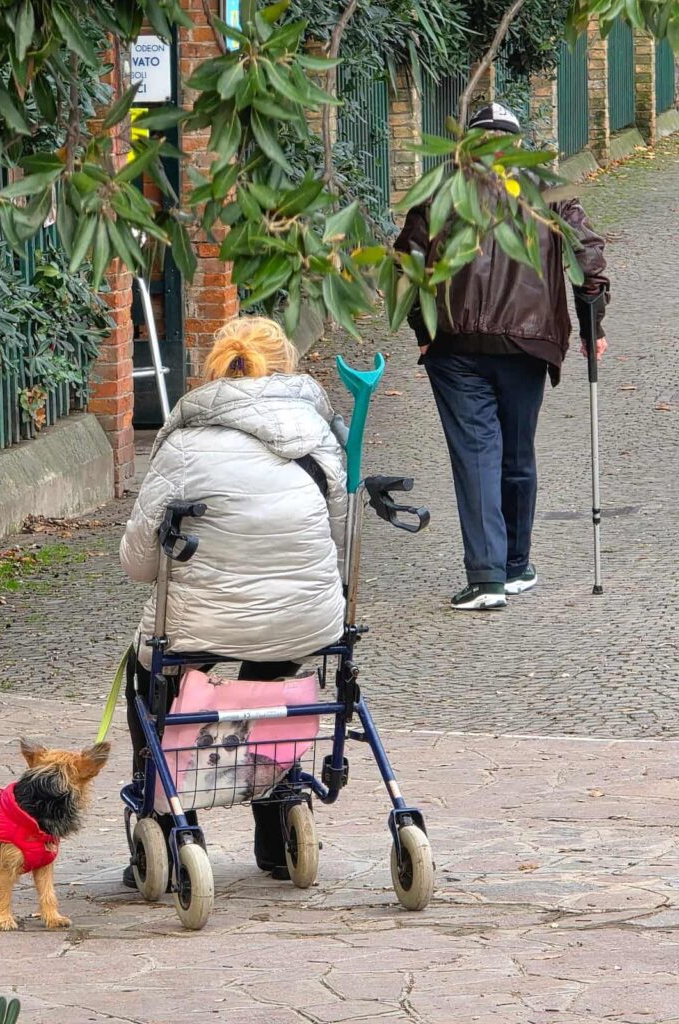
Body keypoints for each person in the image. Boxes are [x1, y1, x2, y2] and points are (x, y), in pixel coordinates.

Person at [119, 316, 347, 882]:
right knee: (270, 674)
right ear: (287, 366)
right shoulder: (320, 436)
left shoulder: (184, 442)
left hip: (201, 622)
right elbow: (341, 538)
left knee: (151, 682)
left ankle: (169, 825)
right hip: (304, 617)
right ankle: (276, 826)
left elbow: (139, 563)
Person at [395, 102, 610, 611]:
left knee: (476, 454)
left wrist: (424, 331)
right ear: (518, 142)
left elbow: (406, 266)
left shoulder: (440, 192)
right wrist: (591, 329)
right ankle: (516, 566)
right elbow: (588, 260)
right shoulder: (548, 191)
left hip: (455, 345)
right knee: (517, 451)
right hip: (529, 343)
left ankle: (487, 577)